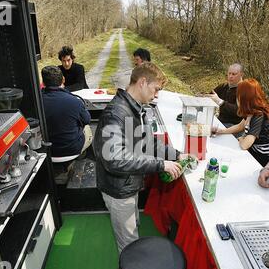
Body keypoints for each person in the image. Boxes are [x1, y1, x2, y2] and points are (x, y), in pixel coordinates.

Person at [94, 62, 187, 253]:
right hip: (119, 189)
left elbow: (146, 142)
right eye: (156, 89)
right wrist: (161, 165)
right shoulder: (116, 113)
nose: (157, 95)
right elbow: (115, 160)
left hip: (130, 183)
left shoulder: (134, 108)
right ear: (143, 82)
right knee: (128, 245)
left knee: (132, 229)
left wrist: (177, 155)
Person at [212, 78, 269, 167]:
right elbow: (240, 126)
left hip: (262, 160)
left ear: (244, 98)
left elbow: (244, 145)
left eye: (237, 96)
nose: (236, 99)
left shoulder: (258, 116)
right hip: (254, 149)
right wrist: (221, 131)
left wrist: (241, 138)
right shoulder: (250, 110)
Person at [41, 66, 92, 158]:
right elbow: (87, 120)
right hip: (72, 149)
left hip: (48, 151)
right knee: (87, 128)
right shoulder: (75, 101)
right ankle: (87, 158)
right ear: (63, 79)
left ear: (43, 83)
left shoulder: (37, 102)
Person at [206, 63, 244, 127]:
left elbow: (239, 112)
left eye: (234, 74)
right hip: (220, 121)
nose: (230, 76)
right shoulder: (224, 86)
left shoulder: (245, 89)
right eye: (229, 73)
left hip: (235, 125)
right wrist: (201, 96)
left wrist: (220, 102)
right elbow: (209, 96)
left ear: (241, 75)